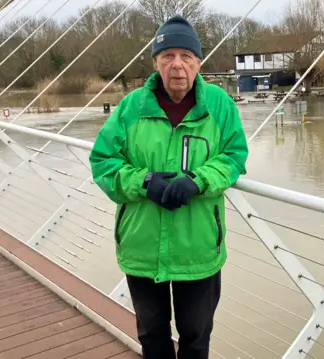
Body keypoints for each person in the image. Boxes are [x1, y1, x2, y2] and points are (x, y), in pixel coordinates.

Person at [89, 14, 248, 359]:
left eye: (186, 56)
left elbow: (235, 158)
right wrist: (143, 182)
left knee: (196, 338)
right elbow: (103, 162)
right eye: (168, 56)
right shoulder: (132, 107)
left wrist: (198, 180)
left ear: (198, 63)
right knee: (152, 335)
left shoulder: (220, 106)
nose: (177, 65)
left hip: (198, 248)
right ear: (155, 63)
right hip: (142, 248)